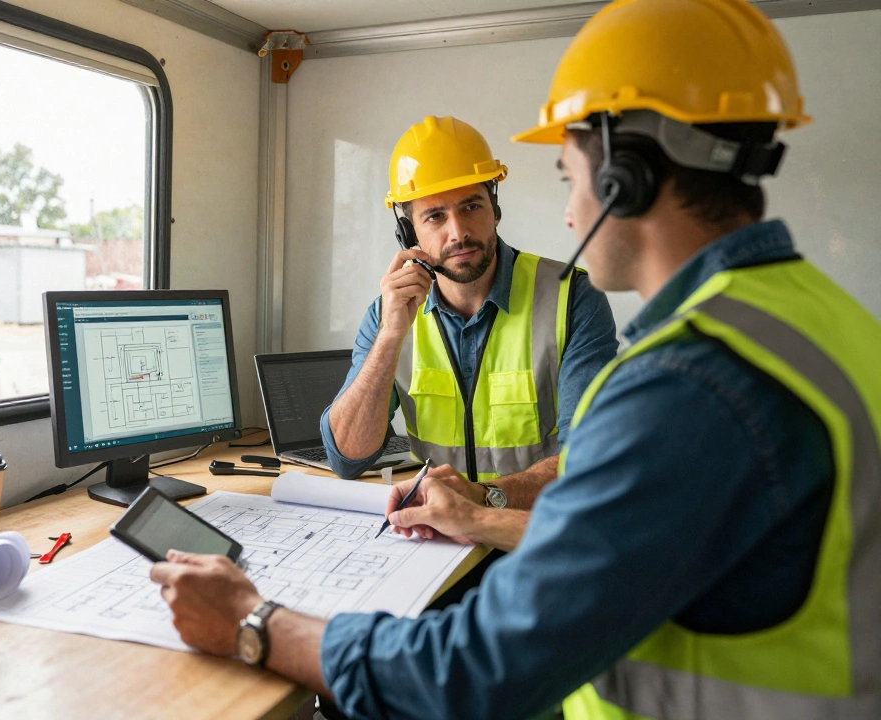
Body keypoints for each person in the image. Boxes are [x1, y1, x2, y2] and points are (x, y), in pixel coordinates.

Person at [149, 0, 881, 717]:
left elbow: (474, 673)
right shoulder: (816, 320)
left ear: (626, 172)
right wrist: (471, 505)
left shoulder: (688, 385)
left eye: (570, 177)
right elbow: (359, 455)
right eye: (434, 214)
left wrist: (254, 622)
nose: (570, 212)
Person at [322, 116, 617, 552]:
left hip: (540, 539)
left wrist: (483, 501)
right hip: (436, 545)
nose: (457, 231)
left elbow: (588, 459)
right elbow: (347, 457)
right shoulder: (389, 314)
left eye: (471, 206)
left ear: (494, 207)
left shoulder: (572, 297)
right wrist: (389, 338)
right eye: (435, 216)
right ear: (408, 233)